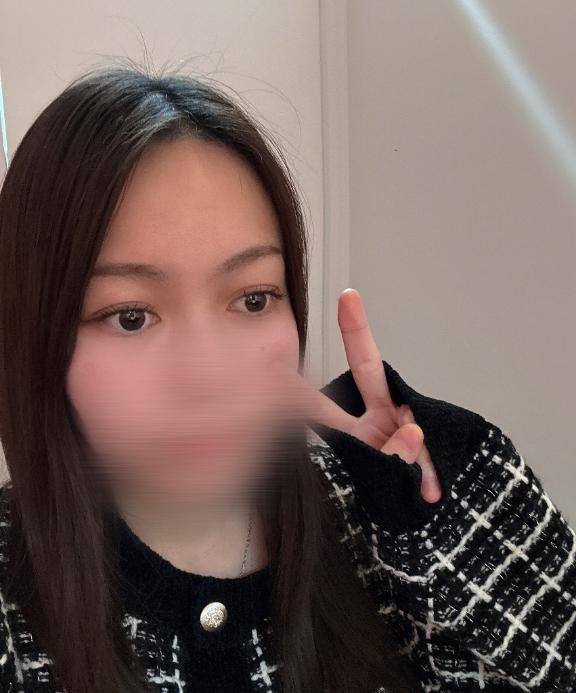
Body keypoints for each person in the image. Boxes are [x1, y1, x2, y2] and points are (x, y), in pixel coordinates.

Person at [0, 64, 573, 693]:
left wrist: (443, 511)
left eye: (252, 300)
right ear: (37, 330)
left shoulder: (373, 514)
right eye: (131, 316)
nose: (209, 377)